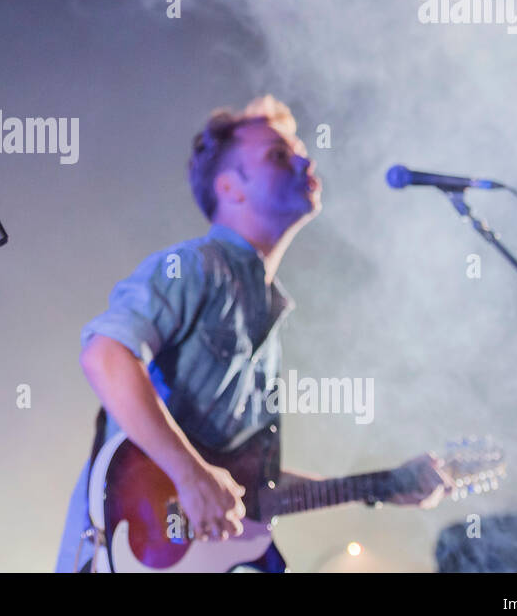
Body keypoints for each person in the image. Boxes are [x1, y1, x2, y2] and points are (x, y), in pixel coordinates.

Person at [56, 96, 448, 572]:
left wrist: (381, 486)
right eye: (279, 155)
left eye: (301, 151)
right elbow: (106, 355)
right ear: (230, 187)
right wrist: (188, 474)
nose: (306, 160)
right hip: (130, 551)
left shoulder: (267, 307)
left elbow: (245, 484)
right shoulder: (195, 267)